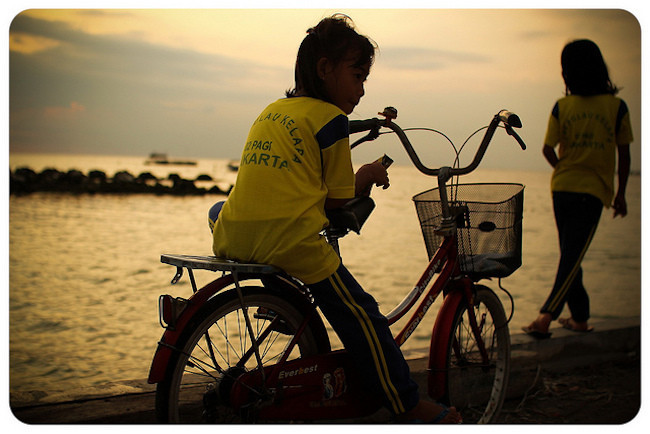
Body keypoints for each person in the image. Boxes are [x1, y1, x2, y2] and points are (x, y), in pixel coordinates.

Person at [211, 14, 461, 423]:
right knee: (362, 314)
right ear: (326, 68)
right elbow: (340, 201)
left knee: (221, 211)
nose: (362, 90)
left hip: (232, 235)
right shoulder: (331, 121)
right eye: (357, 76)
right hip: (290, 241)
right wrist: (367, 174)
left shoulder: (273, 110)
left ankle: (283, 296)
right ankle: (407, 403)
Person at [523, 39, 633, 339]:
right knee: (572, 255)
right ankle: (547, 315)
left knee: (571, 254)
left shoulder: (563, 107)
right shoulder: (616, 107)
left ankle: (580, 318)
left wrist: (562, 168)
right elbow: (624, 155)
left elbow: (547, 149)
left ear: (567, 73)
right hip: (593, 192)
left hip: (562, 188)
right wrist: (621, 193)